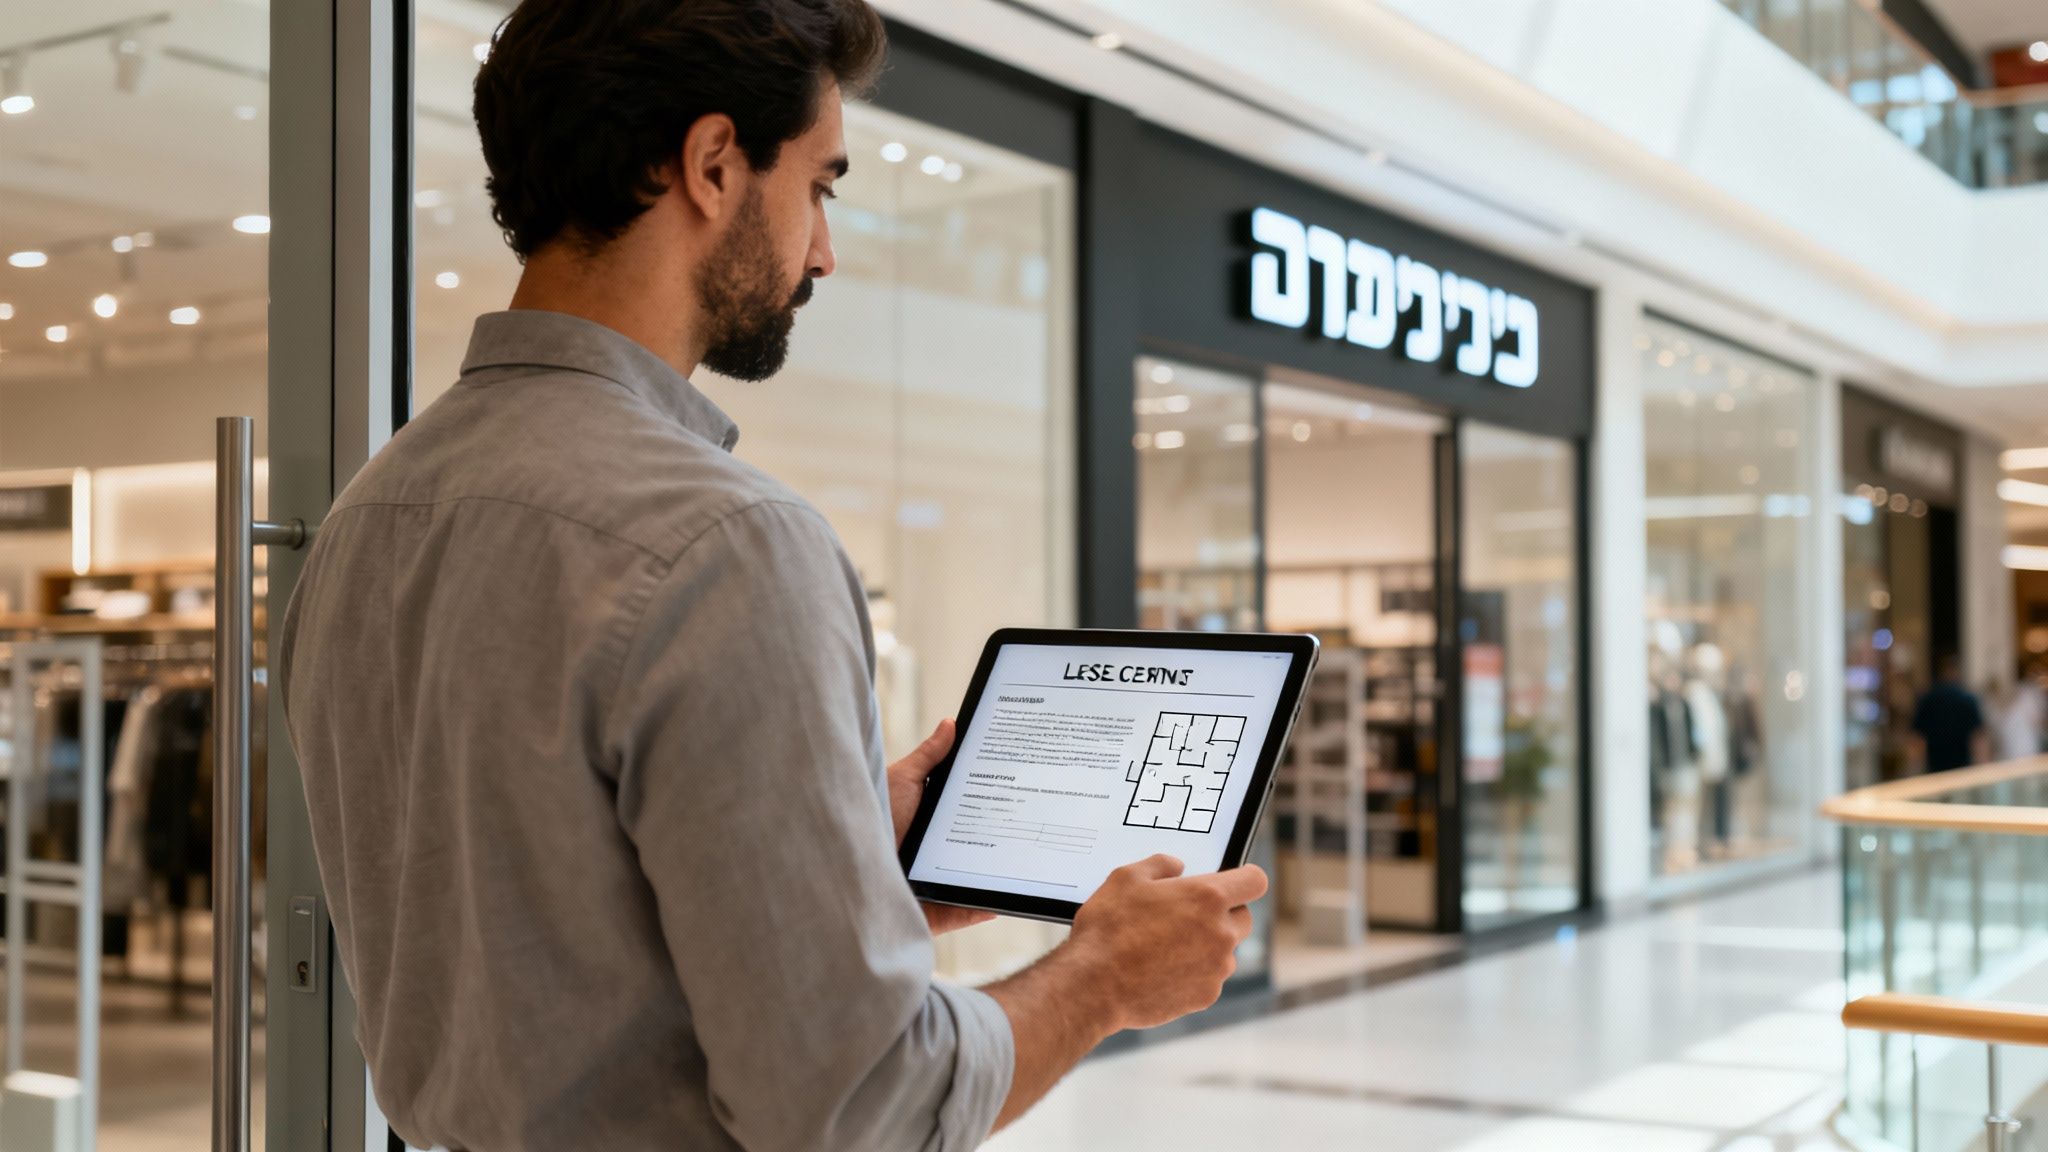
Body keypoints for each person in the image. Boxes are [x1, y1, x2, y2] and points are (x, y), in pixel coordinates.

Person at [276, 3, 1266, 1149]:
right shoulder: (725, 542)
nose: (823, 250)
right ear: (710, 164)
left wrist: (844, 857)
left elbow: (544, 935)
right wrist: (1103, 977)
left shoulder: (367, 517)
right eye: (821, 186)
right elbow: (860, 1107)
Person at [1910, 654, 1987, 774]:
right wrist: (1982, 769)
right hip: (1962, 768)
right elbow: (1978, 739)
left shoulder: (1927, 699)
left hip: (1935, 768)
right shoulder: (1968, 699)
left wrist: (1916, 769)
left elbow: (1918, 739)